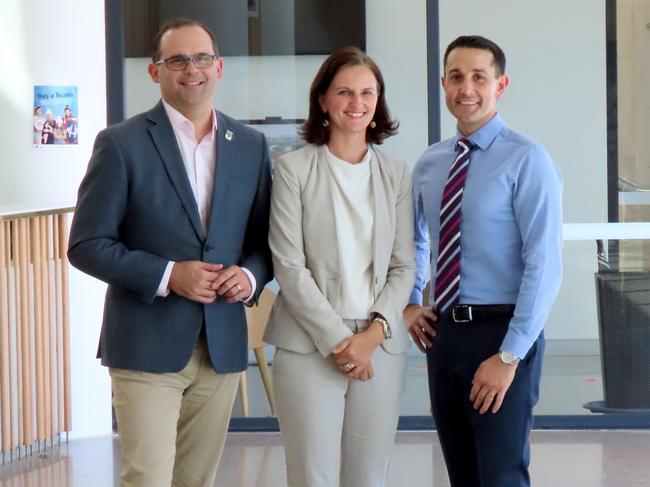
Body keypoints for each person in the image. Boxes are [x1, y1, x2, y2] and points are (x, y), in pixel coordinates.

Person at [68, 18, 273, 487]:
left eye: (201, 58)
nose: (191, 69)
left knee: (196, 480)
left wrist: (250, 277)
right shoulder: (120, 143)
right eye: (177, 59)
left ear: (219, 67)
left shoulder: (249, 145)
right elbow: (86, 245)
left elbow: (264, 242)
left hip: (220, 344)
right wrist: (167, 275)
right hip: (145, 342)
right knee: (147, 478)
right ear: (154, 71)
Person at [404, 35, 563, 487]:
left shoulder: (527, 160)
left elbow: (544, 264)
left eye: (479, 76)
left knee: (500, 476)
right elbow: (415, 243)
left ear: (501, 84)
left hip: (503, 333)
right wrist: (413, 301)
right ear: (443, 83)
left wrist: (509, 355)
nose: (466, 87)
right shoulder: (431, 163)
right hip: (444, 333)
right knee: (461, 474)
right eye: (456, 77)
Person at [264, 46, 416, 487]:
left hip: (379, 344)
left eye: (368, 92)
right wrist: (340, 342)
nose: (357, 102)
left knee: (369, 476)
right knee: (314, 476)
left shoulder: (395, 173)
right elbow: (288, 266)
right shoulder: (293, 169)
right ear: (324, 100)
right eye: (345, 91)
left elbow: (404, 266)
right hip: (309, 343)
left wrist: (371, 336)